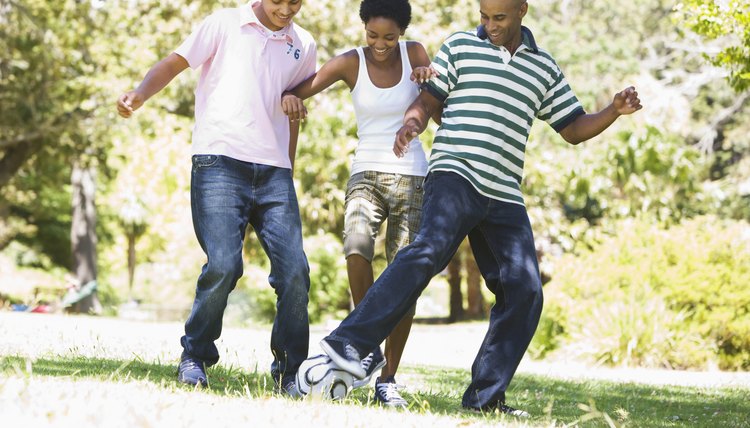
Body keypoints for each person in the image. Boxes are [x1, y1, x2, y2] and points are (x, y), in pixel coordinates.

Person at [315, 0, 642, 416]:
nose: (489, 25)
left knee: (524, 290)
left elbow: (573, 129)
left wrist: (613, 110)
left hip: (504, 191)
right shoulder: (459, 47)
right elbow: (429, 100)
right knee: (429, 250)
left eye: (499, 18)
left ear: (522, 10)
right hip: (455, 173)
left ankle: (485, 398)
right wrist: (413, 122)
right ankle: (348, 343)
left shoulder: (543, 68)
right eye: (484, 16)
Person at [116, 0, 317, 395]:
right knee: (224, 264)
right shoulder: (224, 23)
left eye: (296, 2)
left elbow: (292, 107)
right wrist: (140, 94)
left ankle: (291, 372)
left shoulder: (304, 44)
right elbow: (173, 63)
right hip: (219, 161)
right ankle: (195, 355)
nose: (287, 10)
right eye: (280, 1)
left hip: (275, 171)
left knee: (295, 271)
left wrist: (288, 168)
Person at [282, 0, 440, 407]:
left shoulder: (416, 54)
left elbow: (438, 111)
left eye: (389, 37)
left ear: (402, 33)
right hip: (365, 170)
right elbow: (297, 92)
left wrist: (429, 82)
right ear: (363, 27)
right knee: (355, 246)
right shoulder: (348, 62)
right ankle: (365, 342)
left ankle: (388, 377)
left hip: (413, 175)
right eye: (373, 35)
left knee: (404, 276)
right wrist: (291, 101)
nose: (381, 44)